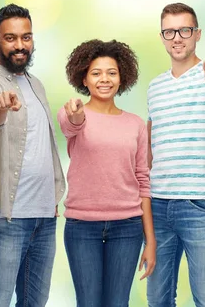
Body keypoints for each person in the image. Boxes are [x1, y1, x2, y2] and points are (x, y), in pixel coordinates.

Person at [0, 3, 66, 307]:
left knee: (35, 302)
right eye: (10, 38)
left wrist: (52, 201)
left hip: (43, 218)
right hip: (6, 218)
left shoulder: (36, 85)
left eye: (26, 37)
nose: (19, 45)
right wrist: (1, 105)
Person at [57, 39, 156, 307]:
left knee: (117, 303)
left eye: (111, 73)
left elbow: (143, 182)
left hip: (127, 227)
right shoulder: (72, 114)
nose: (105, 79)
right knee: (88, 302)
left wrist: (151, 240)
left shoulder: (135, 124)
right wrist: (76, 114)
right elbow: (72, 126)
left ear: (122, 77)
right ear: (84, 79)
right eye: (96, 73)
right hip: (82, 228)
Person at [146, 2, 205, 307]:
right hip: (158, 206)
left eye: (184, 30)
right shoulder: (155, 88)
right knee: (158, 298)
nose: (177, 37)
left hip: (201, 204)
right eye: (169, 31)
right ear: (162, 36)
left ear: (197, 34)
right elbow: (150, 146)